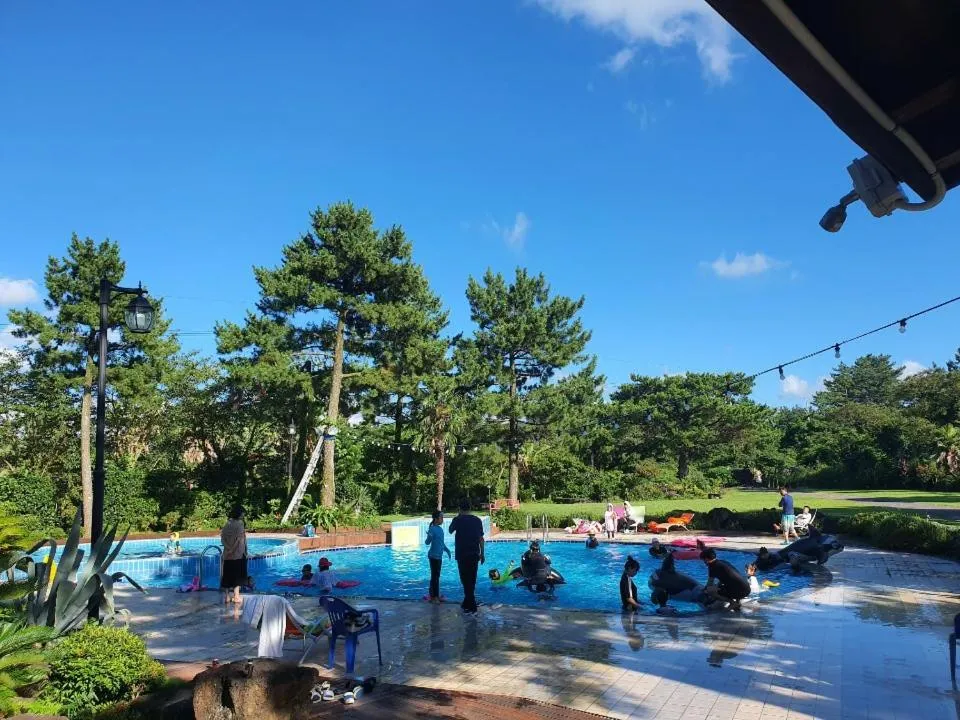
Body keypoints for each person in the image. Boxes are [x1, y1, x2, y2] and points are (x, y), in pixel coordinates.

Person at [448, 498, 485, 614]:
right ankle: (467, 602)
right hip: (474, 553)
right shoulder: (477, 520)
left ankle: (471, 604)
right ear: (470, 508)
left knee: (465, 579)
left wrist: (458, 516)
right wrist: (482, 554)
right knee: (472, 579)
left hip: (462, 554)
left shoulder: (457, 520)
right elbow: (481, 539)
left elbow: (449, 530)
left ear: (460, 508)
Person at [219, 505, 248, 605]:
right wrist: (232, 549)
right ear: (239, 513)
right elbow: (239, 539)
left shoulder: (227, 523)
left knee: (227, 574)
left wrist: (228, 549)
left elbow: (222, 539)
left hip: (227, 554)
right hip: (238, 553)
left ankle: (227, 597)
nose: (244, 515)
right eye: (243, 513)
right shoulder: (240, 523)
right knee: (237, 575)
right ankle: (236, 596)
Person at [425, 509, 452, 603]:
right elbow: (427, 542)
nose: (442, 519)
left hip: (439, 557)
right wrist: (430, 537)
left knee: (436, 576)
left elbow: (441, 543)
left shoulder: (440, 529)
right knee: (435, 576)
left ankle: (433, 594)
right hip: (433, 556)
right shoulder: (432, 529)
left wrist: (447, 550)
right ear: (436, 519)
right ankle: (434, 597)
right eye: (441, 517)